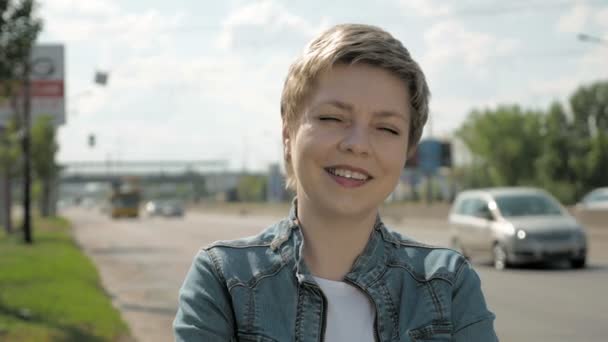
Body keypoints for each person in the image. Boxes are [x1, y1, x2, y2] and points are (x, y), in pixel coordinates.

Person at [174, 23, 498, 341]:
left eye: (386, 128)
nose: (358, 144)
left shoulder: (447, 284)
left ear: (408, 151)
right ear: (288, 135)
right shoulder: (225, 280)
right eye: (332, 118)